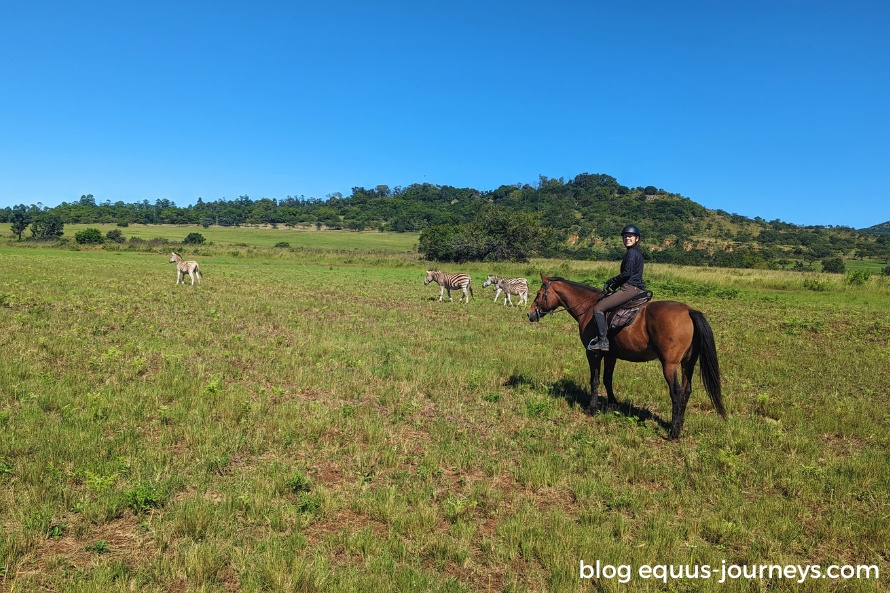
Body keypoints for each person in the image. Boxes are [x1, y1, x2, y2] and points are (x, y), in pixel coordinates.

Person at [587, 225, 646, 351]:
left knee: (598, 308)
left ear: (637, 239)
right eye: (625, 236)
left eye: (630, 236)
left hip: (630, 288)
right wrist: (615, 286)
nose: (627, 238)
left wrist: (611, 281)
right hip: (634, 287)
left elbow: (627, 273)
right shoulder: (637, 252)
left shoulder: (631, 253)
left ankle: (603, 341)